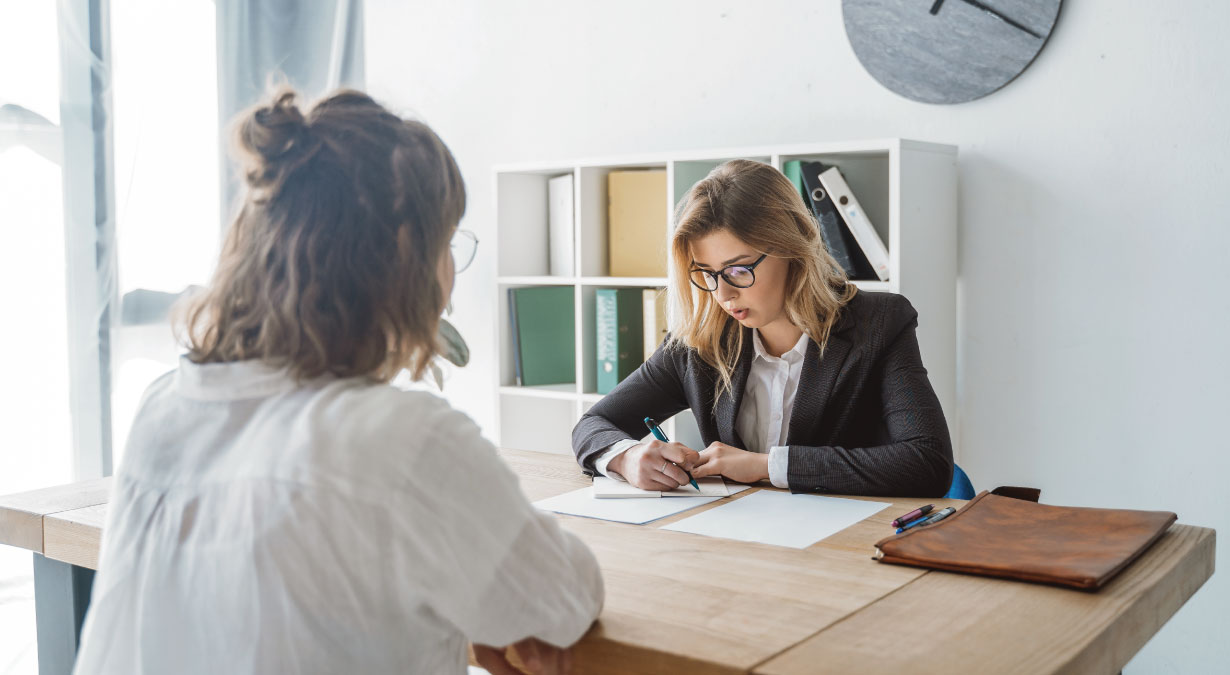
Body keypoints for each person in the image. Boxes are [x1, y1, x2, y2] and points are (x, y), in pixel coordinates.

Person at [74, 88, 602, 675]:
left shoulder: (163, 406)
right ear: (402, 258)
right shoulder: (403, 438)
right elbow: (563, 599)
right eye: (446, 243)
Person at [572, 159, 953, 497]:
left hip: (845, 550)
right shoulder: (698, 341)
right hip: (742, 546)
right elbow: (594, 424)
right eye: (707, 273)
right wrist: (627, 456)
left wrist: (765, 466)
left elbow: (926, 462)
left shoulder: (879, 324)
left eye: (739, 269)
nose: (722, 293)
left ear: (793, 249)